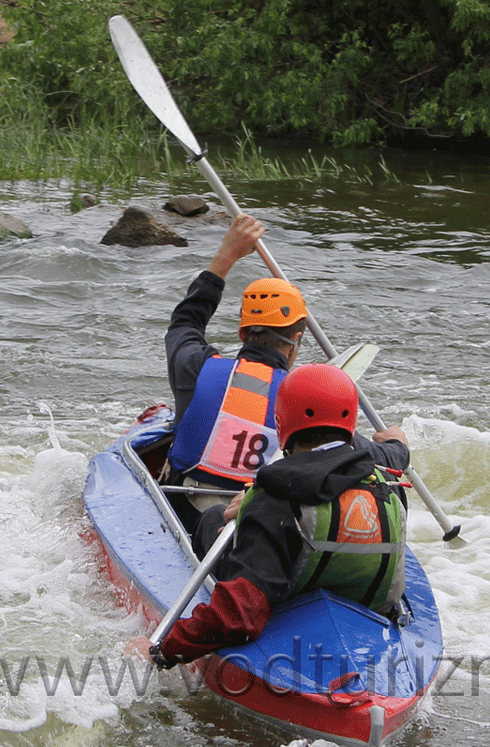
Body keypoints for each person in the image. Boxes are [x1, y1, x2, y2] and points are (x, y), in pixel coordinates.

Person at [148, 362, 411, 668]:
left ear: (282, 422)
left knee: (214, 518)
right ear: (350, 423)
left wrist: (165, 651)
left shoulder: (274, 497)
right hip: (368, 628)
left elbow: (240, 616)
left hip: (288, 629)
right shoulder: (387, 486)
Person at [162, 213, 404, 532]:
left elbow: (185, 322)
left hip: (185, 510)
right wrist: (397, 446)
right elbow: (371, 457)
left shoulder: (196, 365)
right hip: (258, 524)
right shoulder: (305, 399)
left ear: (242, 333)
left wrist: (227, 255)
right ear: (295, 342)